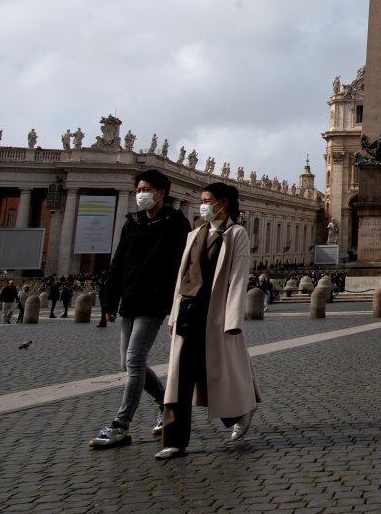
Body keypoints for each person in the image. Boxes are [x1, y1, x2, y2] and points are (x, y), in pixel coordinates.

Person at [156, 183, 261, 460]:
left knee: (214, 372)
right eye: (201, 200)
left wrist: (233, 318)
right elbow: (183, 277)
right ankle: (174, 440)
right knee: (179, 377)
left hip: (215, 313)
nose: (202, 205)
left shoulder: (235, 234)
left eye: (207, 200)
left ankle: (240, 412)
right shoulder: (194, 234)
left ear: (222, 204)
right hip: (188, 312)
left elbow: (238, 277)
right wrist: (174, 314)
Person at [89, 169, 192, 450]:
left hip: (154, 300)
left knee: (134, 360)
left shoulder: (176, 223)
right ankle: (164, 403)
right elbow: (118, 262)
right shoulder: (132, 223)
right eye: (138, 189)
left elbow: (181, 267)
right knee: (127, 362)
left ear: (161, 193)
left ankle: (121, 424)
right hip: (130, 299)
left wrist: (175, 303)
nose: (140, 194)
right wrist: (108, 301)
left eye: (145, 189)